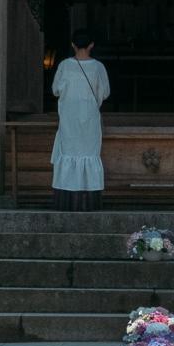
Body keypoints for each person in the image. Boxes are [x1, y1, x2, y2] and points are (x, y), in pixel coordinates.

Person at [51, 27, 110, 211]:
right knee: (89, 154)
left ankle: (66, 199)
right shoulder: (98, 67)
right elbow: (105, 92)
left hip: (69, 118)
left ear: (73, 45)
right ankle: (89, 200)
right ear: (91, 45)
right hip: (90, 118)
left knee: (68, 153)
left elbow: (55, 90)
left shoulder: (64, 66)